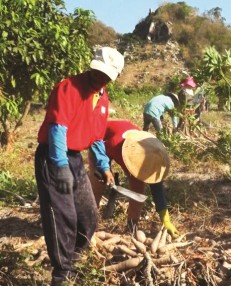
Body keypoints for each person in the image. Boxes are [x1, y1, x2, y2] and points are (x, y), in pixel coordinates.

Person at [34, 47, 124, 285]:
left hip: (74, 158)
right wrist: (60, 166)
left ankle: (75, 259)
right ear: (92, 66)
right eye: (97, 72)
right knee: (63, 215)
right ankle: (61, 274)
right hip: (53, 155)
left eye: (106, 75)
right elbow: (57, 128)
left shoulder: (102, 99)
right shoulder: (69, 87)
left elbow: (95, 138)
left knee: (88, 214)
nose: (99, 78)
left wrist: (104, 166)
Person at [88, 119, 180, 238]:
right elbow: (97, 145)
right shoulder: (115, 144)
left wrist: (166, 221)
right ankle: (89, 225)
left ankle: (132, 226)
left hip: (124, 143)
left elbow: (157, 189)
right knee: (98, 185)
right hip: (100, 141)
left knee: (138, 191)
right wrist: (105, 169)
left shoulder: (152, 154)